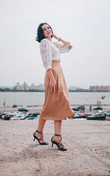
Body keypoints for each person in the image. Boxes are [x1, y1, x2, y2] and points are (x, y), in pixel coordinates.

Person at [33, 23, 74, 151]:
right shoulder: (44, 43)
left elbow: (68, 47)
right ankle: (55, 136)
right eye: (44, 29)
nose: (47, 30)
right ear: (41, 33)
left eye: (49, 28)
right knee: (58, 103)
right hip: (53, 73)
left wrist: (56, 37)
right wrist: (52, 78)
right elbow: (46, 62)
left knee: (54, 105)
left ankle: (41, 133)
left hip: (58, 72)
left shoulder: (52, 43)